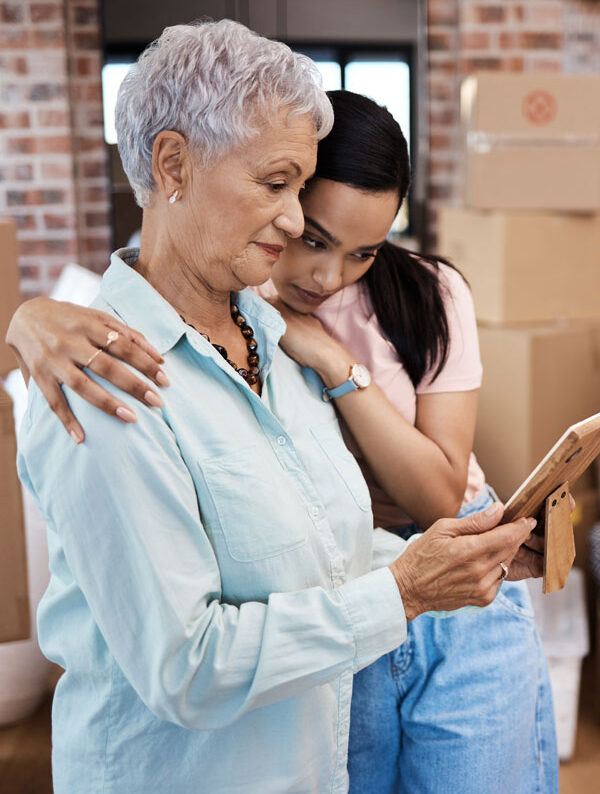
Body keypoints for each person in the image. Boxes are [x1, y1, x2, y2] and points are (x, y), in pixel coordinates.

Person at [10, 26, 543, 794]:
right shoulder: (103, 379)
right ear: (173, 165)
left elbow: (326, 553)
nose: (294, 222)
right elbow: (188, 668)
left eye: (301, 191)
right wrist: (406, 590)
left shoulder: (270, 341)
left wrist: (457, 558)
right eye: (275, 185)